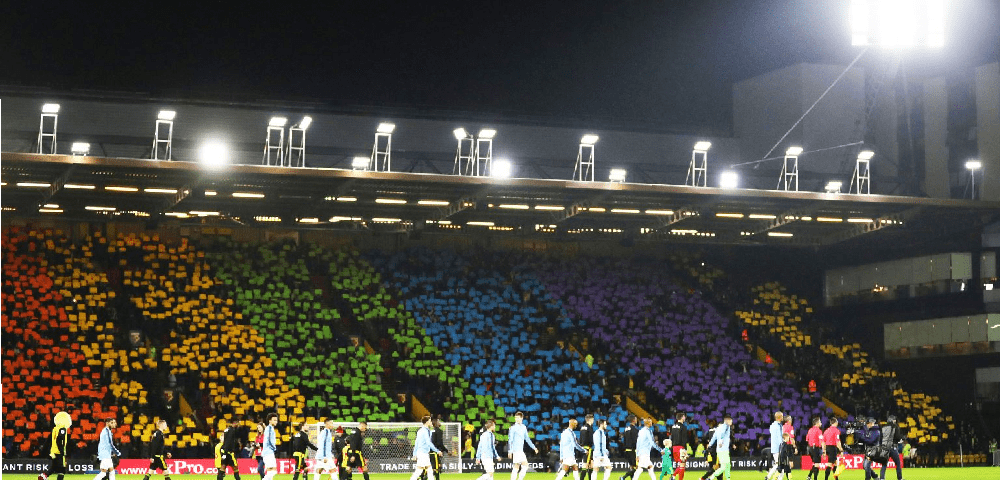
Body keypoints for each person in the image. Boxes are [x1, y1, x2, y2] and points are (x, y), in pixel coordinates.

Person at [38, 411, 72, 480]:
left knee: (55, 466)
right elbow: (59, 440)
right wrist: (62, 451)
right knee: (62, 469)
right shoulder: (62, 429)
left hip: (53, 451)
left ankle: (44, 475)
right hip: (59, 452)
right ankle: (45, 475)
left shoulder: (55, 428)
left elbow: (50, 440)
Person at [509, 412, 540, 480]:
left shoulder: (523, 427)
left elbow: (527, 439)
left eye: (518, 418)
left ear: (522, 418)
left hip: (520, 451)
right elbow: (510, 440)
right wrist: (510, 451)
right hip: (516, 450)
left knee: (524, 466)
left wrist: (534, 447)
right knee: (517, 466)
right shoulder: (513, 428)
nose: (517, 419)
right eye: (516, 418)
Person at [411, 416, 443, 480]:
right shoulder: (425, 431)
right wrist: (437, 451)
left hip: (422, 453)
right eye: (430, 421)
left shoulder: (421, 430)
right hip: (423, 453)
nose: (431, 422)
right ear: (427, 422)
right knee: (425, 470)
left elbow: (416, 443)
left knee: (424, 470)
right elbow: (428, 442)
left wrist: (414, 454)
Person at [706, 414, 732, 480]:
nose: (731, 422)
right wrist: (721, 441)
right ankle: (711, 477)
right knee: (724, 466)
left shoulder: (717, 429)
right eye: (730, 420)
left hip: (720, 450)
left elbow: (714, 438)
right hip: (724, 450)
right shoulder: (726, 426)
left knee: (728, 465)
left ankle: (728, 478)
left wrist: (710, 445)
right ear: (727, 420)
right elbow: (722, 434)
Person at [764, 412, 784, 480]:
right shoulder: (778, 426)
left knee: (777, 464)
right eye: (782, 416)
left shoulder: (772, 425)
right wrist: (782, 447)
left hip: (774, 448)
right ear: (779, 417)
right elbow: (779, 438)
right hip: (778, 448)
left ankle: (768, 476)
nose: (783, 417)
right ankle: (772, 477)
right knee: (780, 465)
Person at [619, 415, 639, 480]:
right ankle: (623, 477)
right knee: (637, 467)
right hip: (632, 450)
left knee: (632, 466)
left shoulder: (626, 428)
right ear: (633, 420)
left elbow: (624, 439)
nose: (636, 420)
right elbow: (634, 440)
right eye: (636, 419)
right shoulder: (635, 429)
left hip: (627, 449)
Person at [670, 414, 689, 480]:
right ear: (681, 418)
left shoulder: (673, 426)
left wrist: (671, 448)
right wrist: (685, 450)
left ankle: (673, 476)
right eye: (684, 417)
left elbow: (671, 438)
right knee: (682, 465)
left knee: (680, 464)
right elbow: (684, 439)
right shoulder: (683, 427)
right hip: (680, 447)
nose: (685, 418)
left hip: (674, 448)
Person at [261, 413, 279, 480]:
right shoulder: (269, 428)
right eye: (274, 420)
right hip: (268, 452)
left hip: (269, 452)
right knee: (272, 472)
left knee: (272, 471)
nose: (276, 422)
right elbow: (268, 440)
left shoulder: (270, 428)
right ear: (269, 421)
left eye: (276, 420)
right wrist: (274, 448)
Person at [579, 414, 595, 480]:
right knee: (585, 466)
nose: (593, 421)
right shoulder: (589, 427)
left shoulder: (582, 427)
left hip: (583, 447)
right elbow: (590, 439)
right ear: (590, 419)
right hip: (588, 448)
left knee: (591, 465)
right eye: (593, 419)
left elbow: (580, 438)